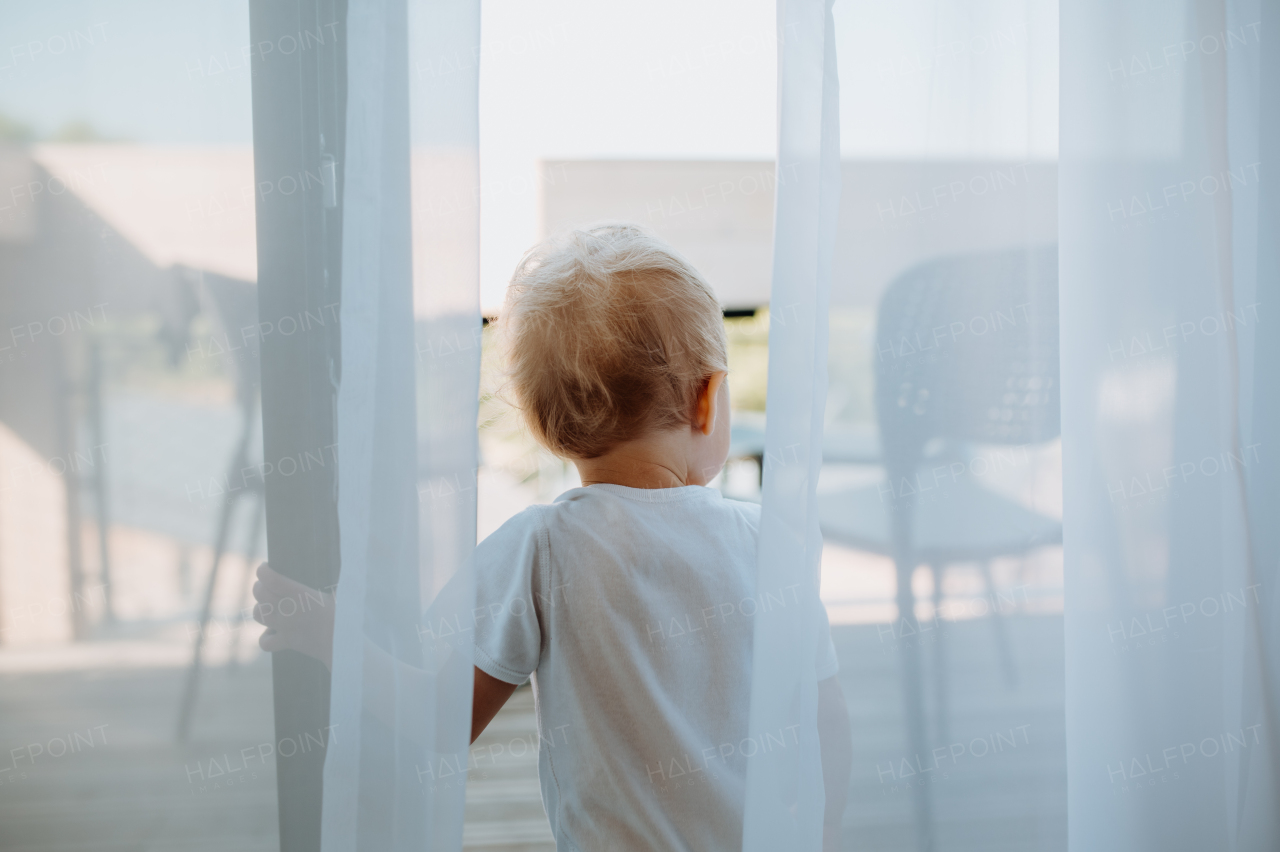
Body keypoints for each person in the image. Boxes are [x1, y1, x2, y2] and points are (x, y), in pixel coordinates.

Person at [253, 223, 852, 850]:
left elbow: (439, 721)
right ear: (707, 399)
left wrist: (332, 638)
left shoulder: (540, 549)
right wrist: (825, 827)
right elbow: (826, 723)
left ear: (545, 425)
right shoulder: (772, 545)